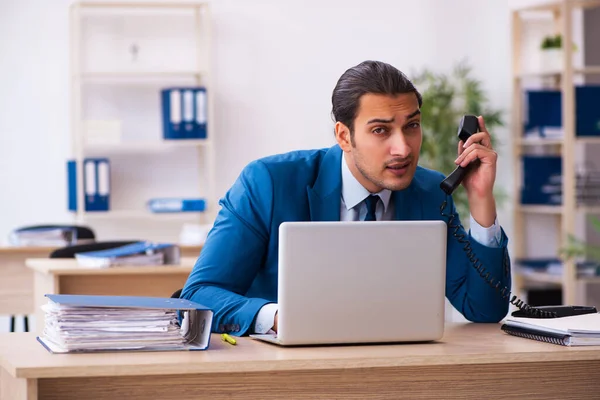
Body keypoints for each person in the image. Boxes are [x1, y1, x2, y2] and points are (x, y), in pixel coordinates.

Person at [181, 60, 511, 336]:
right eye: (381, 130)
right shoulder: (267, 182)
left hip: (397, 367)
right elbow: (198, 296)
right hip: (281, 370)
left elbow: (484, 308)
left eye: (411, 126)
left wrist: (481, 199)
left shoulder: (429, 192)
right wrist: (282, 317)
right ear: (344, 136)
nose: (404, 148)